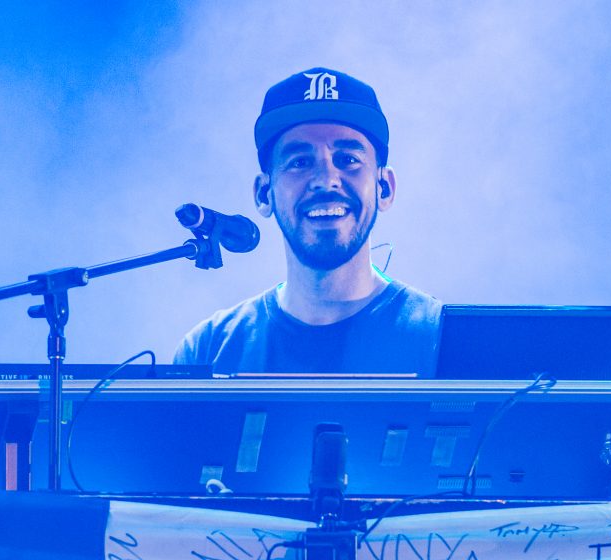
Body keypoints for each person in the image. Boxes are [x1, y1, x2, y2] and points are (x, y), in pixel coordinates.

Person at [175, 68, 442, 376]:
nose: (326, 180)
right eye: (300, 162)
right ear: (264, 194)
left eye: (348, 160)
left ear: (384, 188)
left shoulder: (440, 337)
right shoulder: (208, 350)